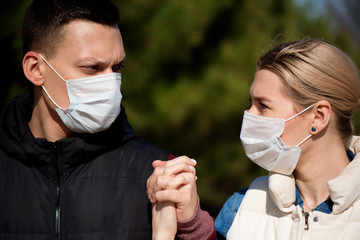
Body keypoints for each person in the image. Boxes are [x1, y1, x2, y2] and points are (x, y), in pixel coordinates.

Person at [147, 37, 360, 239]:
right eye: (251, 102)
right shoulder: (240, 205)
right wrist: (191, 223)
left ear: (318, 117)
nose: (249, 115)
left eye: (263, 105)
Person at [0, 0, 175, 239]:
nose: (110, 84)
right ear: (35, 69)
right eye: (92, 68)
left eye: (117, 68)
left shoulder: (157, 173)